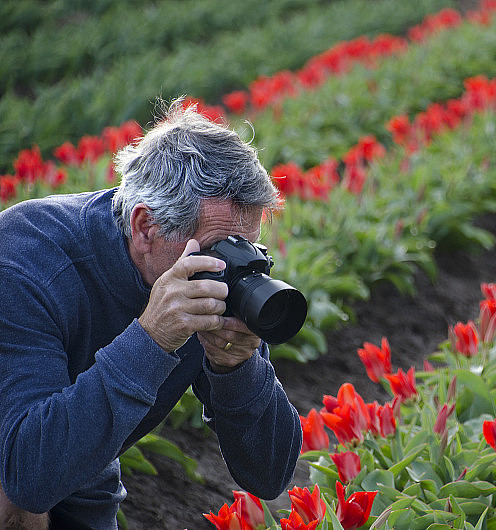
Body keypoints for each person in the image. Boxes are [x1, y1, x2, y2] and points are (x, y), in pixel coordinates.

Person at [0, 98, 303, 529]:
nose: (232, 268)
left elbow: (269, 476)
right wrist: (152, 338)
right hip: (19, 449)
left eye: (247, 248)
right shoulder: (25, 263)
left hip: (85, 469)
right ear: (146, 227)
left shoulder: (210, 275)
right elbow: (28, 476)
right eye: (222, 249)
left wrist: (237, 367)